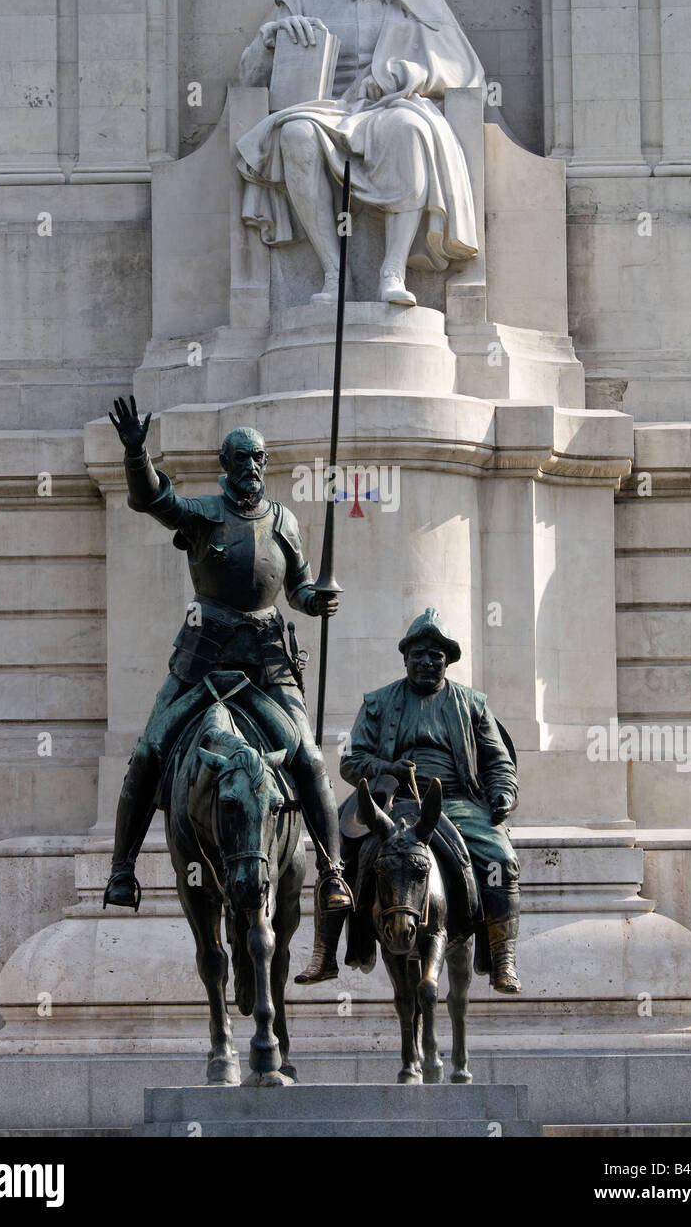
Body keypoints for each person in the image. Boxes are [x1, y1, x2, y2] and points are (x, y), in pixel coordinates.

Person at [102, 396, 351, 981]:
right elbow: (153, 499)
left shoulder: (284, 520)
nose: (253, 467)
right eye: (243, 457)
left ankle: (333, 871)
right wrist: (137, 453)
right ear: (225, 462)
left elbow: (298, 588)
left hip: (267, 662)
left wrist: (317, 600)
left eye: (260, 458)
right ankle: (122, 867)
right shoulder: (203, 514)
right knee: (148, 750)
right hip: (204, 660)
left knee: (311, 758)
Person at [236, 0, 485, 308]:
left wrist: (407, 75)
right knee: (295, 133)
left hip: (388, 108)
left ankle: (392, 270)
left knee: (410, 127)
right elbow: (249, 79)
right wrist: (271, 39)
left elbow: (466, 71)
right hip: (327, 112)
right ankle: (333, 271)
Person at [332, 608, 522, 993]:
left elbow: (498, 762)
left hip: (458, 804)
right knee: (338, 855)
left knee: (501, 860)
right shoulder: (378, 702)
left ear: (448, 661)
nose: (426, 661)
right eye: (417, 654)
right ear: (405, 658)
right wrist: (388, 767)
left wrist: (503, 794)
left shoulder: (473, 705)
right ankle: (326, 951)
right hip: (393, 803)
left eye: (435, 655)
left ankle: (503, 956)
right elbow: (351, 762)